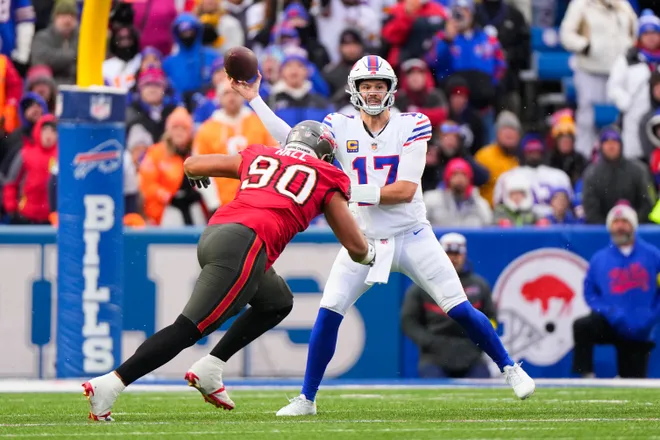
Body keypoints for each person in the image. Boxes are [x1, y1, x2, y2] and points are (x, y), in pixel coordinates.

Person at [231, 54, 535, 417]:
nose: (373, 93)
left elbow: (405, 190)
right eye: (366, 86)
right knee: (329, 311)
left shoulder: (413, 125)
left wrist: (343, 189)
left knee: (459, 307)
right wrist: (255, 100)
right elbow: (296, 145)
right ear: (355, 89)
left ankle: (510, 368)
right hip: (365, 240)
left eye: (378, 86)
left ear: (390, 89)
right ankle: (307, 399)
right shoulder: (338, 125)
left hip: (412, 234)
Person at [82, 120, 375, 421]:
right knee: (189, 328)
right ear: (325, 154)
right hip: (245, 244)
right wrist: (372, 254)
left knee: (277, 301)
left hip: (217, 233)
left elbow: (193, 163)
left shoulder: (262, 154)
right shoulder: (327, 175)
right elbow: (356, 246)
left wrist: (195, 174)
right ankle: (111, 384)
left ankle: (211, 367)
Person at [572, 203, 660, 378]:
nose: (620, 226)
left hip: (640, 328)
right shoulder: (599, 259)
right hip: (611, 322)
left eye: (624, 221)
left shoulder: (653, 255)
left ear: (633, 225)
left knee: (633, 382)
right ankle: (586, 376)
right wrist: (609, 311)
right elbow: (590, 293)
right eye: (616, 222)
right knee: (583, 326)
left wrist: (651, 315)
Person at [401, 233, 496, 378]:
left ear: (464, 255)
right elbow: (408, 321)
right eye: (449, 254)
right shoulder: (422, 286)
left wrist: (480, 339)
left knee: (484, 389)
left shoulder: (480, 286)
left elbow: (492, 318)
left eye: (457, 254)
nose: (454, 258)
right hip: (434, 357)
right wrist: (430, 342)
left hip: (472, 356)